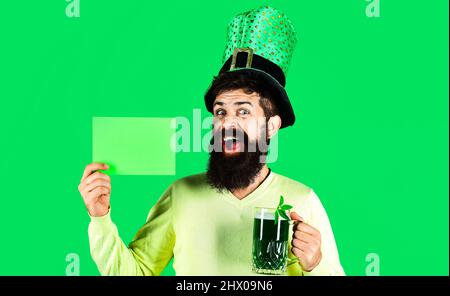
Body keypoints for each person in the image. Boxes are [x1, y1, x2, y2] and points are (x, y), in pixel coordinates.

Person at [78, 6, 345, 276]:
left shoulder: (304, 201)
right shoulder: (181, 194)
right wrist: (100, 218)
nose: (228, 124)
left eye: (243, 111)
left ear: (271, 126)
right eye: (221, 112)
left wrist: (315, 264)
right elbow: (137, 272)